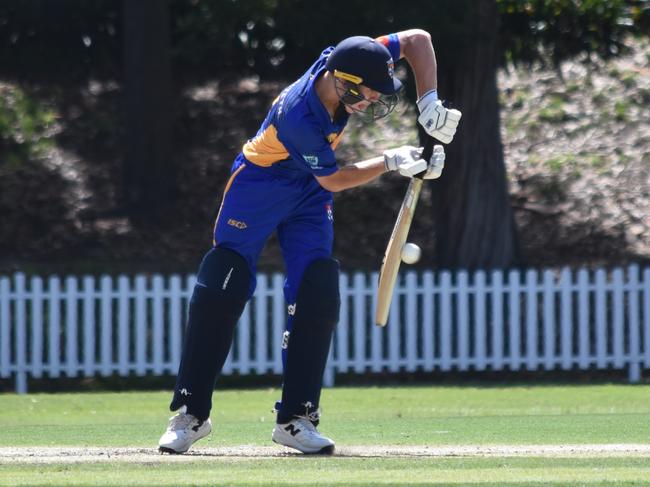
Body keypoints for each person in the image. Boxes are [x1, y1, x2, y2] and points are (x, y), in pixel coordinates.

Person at [158, 29, 461, 455]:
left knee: (317, 287)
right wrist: (393, 160)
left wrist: (429, 100)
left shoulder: (350, 60)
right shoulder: (300, 114)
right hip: (260, 183)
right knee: (221, 283)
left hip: (308, 192)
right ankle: (190, 414)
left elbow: (418, 40)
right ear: (344, 82)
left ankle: (296, 419)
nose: (374, 102)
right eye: (370, 95)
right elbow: (334, 179)